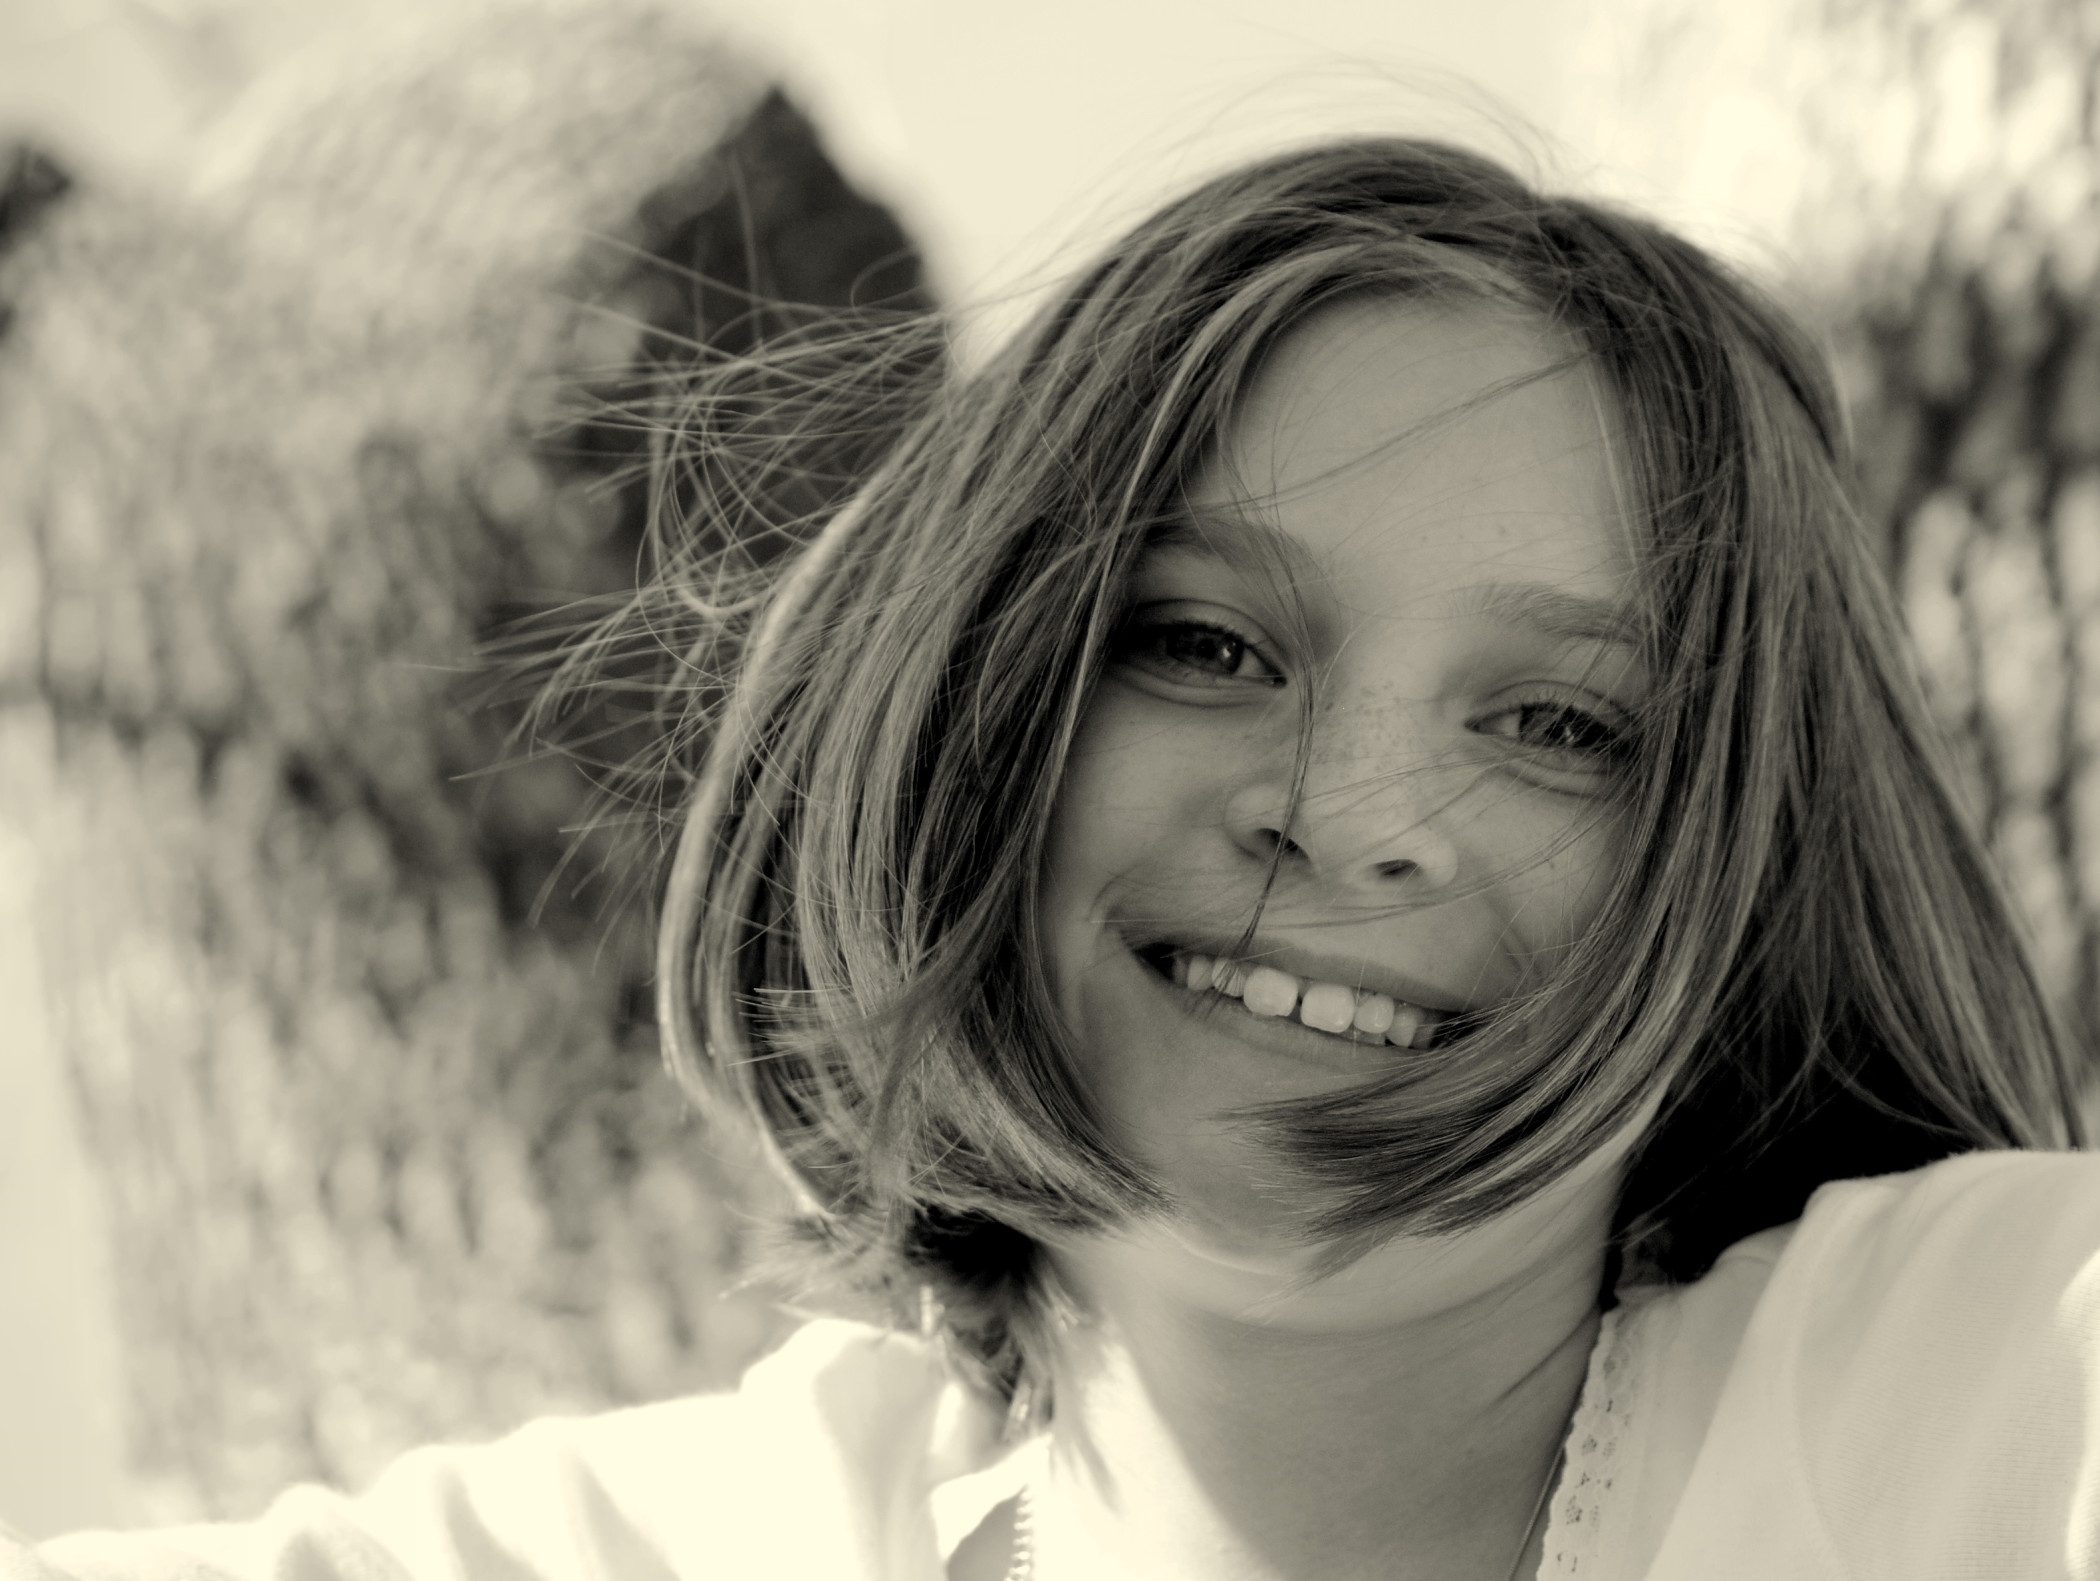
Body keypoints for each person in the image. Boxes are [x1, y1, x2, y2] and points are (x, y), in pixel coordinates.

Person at [9, 135, 2099, 1581]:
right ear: (973, 713)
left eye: (1564, 727)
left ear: (1739, 884)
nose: (1346, 814)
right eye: (1205, 644)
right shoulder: (701, 1537)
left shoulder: (1992, 1379)